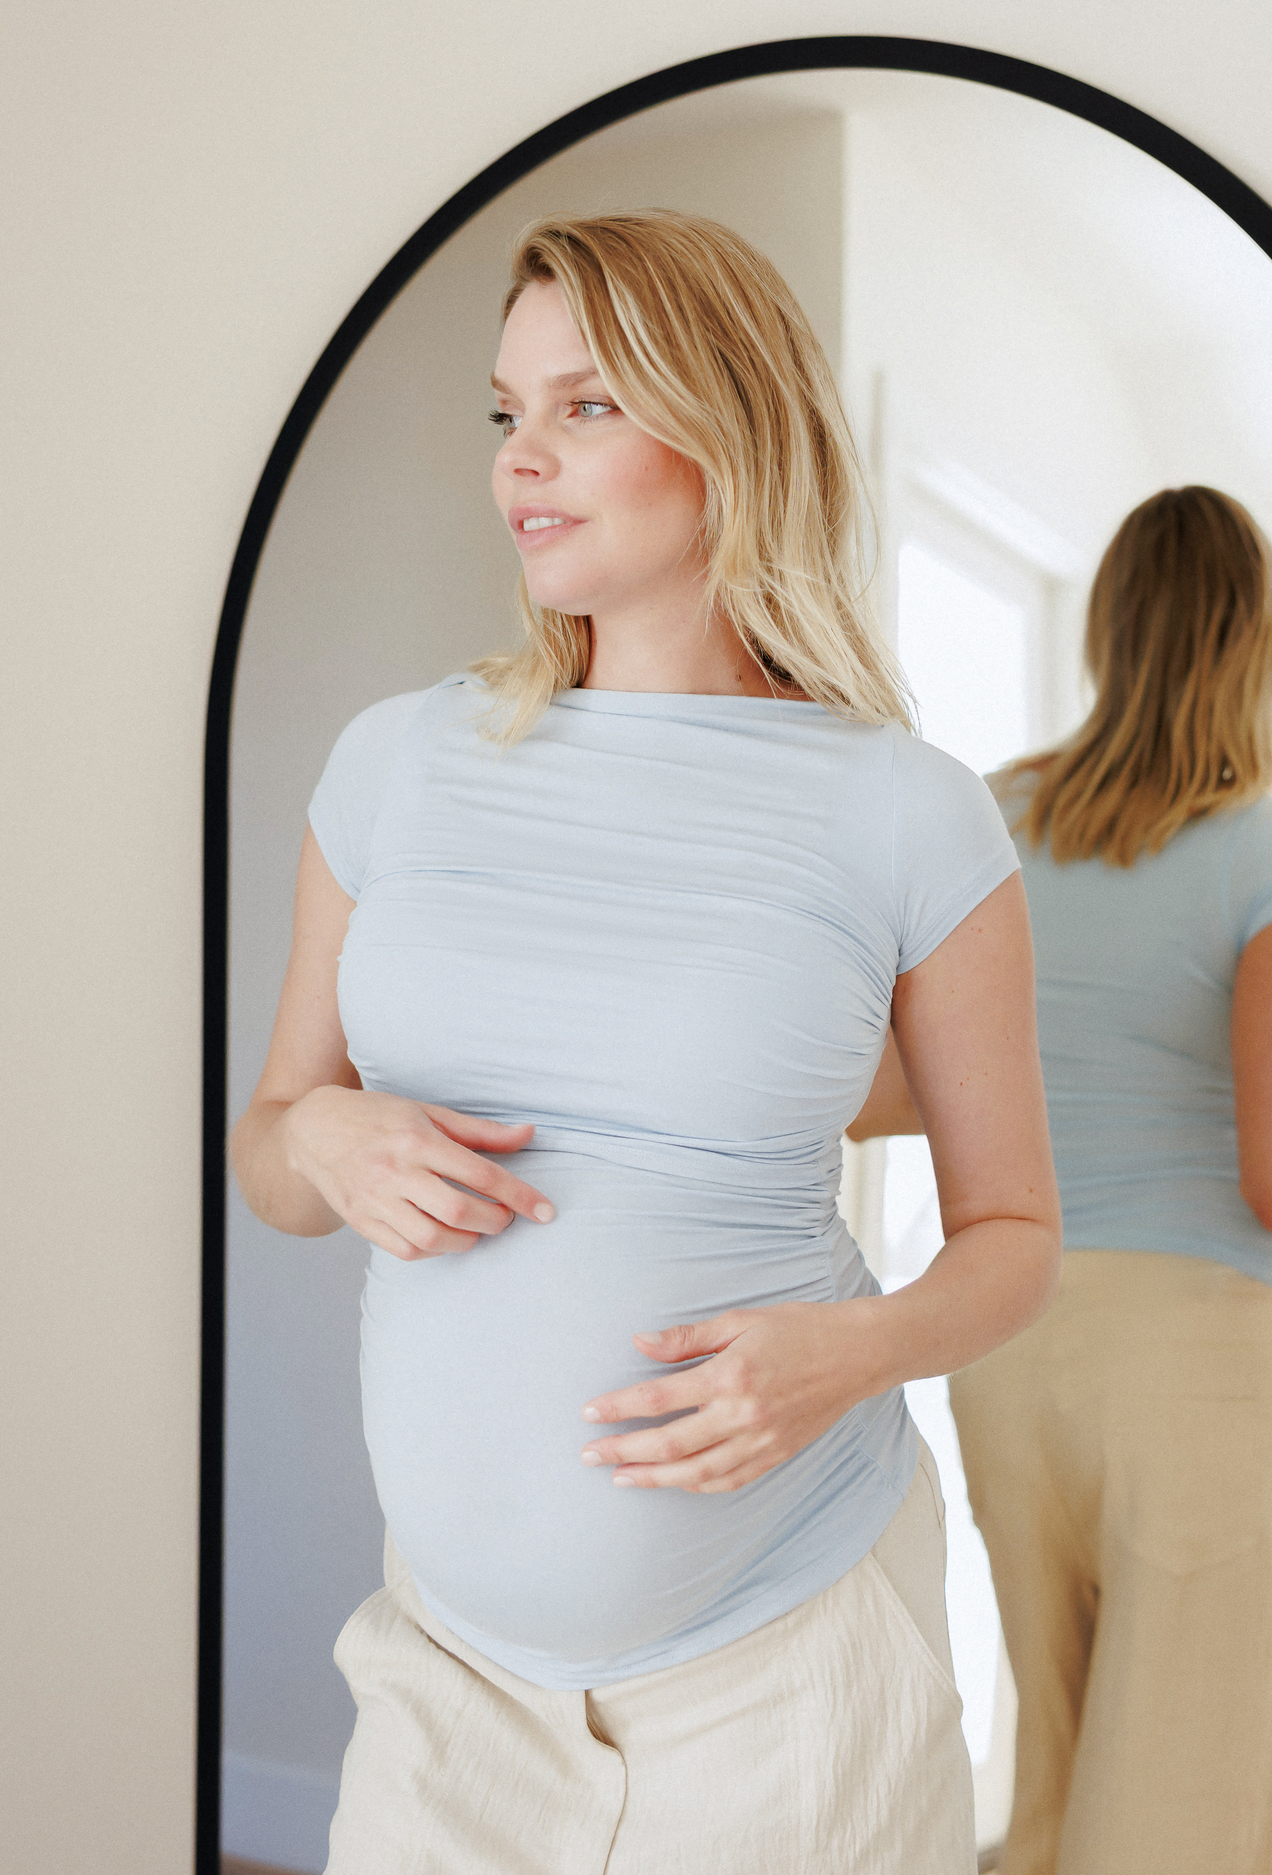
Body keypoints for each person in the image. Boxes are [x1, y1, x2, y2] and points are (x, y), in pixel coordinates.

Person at [230, 209, 1061, 1875]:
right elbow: (273, 1150)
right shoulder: (397, 763)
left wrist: (851, 1351)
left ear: (730, 422)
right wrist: (321, 1136)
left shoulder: (904, 811)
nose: (520, 460)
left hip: (787, 1670)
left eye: (586, 406)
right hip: (447, 1680)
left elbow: (1018, 1238)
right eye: (506, 412)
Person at [849, 486, 1272, 1875]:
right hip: (1195, 1368)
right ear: (1260, 648)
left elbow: (894, 1089)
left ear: (1107, 632)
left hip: (1009, 1345)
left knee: (1054, 1786)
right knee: (1180, 1822)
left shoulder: (997, 817)